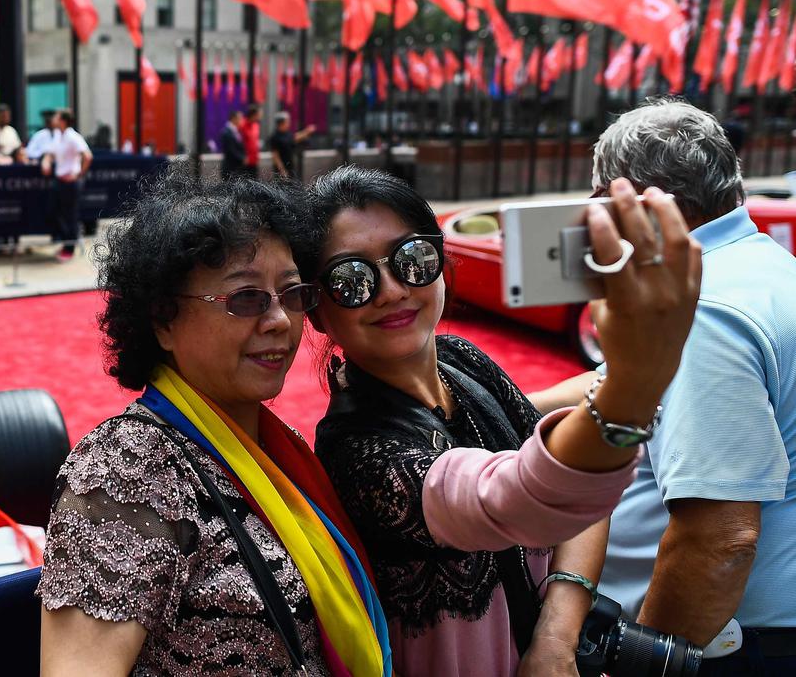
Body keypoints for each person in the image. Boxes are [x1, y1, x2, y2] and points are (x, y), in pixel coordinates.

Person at [289, 165, 702, 676]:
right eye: (351, 280)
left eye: (412, 258)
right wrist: (634, 379)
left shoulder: (461, 362)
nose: (392, 290)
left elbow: (576, 498)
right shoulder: (358, 451)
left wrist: (556, 636)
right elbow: (533, 496)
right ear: (317, 311)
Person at [38, 166, 391, 675]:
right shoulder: (126, 470)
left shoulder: (274, 447)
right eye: (245, 299)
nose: (279, 321)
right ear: (163, 321)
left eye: (292, 294)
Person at [533, 100, 796, 674]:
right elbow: (629, 378)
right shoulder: (760, 268)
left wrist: (643, 663)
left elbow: (721, 539)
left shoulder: (703, 311)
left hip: (738, 649)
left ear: (626, 202)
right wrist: (502, 402)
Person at [40, 109, 91, 261]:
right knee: (53, 211)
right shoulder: (57, 134)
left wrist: (78, 174)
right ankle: (66, 243)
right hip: (59, 181)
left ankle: (69, 249)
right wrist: (46, 163)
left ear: (62, 121)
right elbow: (50, 154)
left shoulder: (74, 137)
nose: (52, 119)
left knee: (70, 216)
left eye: (56, 117)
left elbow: (87, 156)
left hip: (71, 183)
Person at [269, 111, 314, 179]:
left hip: (290, 167)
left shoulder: (287, 134)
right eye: (287, 121)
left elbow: (295, 137)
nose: (289, 123)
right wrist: (282, 170)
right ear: (281, 123)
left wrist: (306, 131)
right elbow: (275, 156)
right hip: (281, 170)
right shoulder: (275, 137)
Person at [219, 110, 246, 180]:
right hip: (230, 168)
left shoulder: (235, 130)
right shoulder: (227, 132)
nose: (241, 121)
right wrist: (242, 158)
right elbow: (231, 150)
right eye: (240, 118)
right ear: (234, 118)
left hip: (235, 167)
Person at [239, 103, 263, 179]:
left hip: (254, 160)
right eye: (259, 114)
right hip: (245, 160)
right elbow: (238, 142)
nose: (261, 116)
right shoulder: (242, 124)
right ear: (253, 114)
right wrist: (243, 156)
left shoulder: (256, 125)